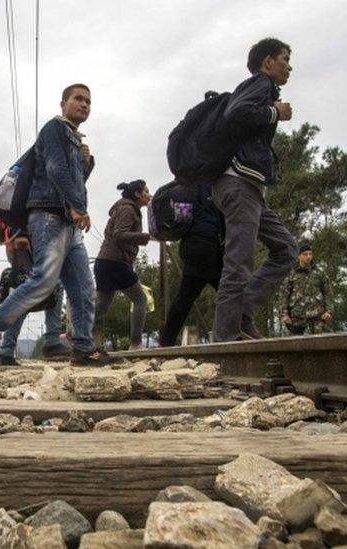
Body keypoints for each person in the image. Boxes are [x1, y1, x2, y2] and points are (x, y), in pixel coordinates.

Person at [0, 83, 117, 367]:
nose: (84, 104)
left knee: (84, 287)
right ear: (63, 104)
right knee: (44, 281)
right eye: (78, 99)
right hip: (49, 217)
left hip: (68, 223)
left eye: (88, 101)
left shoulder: (73, 140)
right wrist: (78, 206)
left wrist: (85, 164)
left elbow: (70, 177)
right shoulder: (55, 129)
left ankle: (84, 348)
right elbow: (55, 170)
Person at [211, 38, 299, 342]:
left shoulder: (263, 88)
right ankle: (225, 339)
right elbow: (235, 112)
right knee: (239, 262)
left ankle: (242, 313)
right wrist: (276, 113)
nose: (289, 66)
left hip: (250, 187)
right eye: (285, 59)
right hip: (238, 182)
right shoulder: (259, 84)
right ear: (268, 62)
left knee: (286, 249)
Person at [159, 181, 225, 346]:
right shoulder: (209, 187)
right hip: (203, 246)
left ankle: (167, 341)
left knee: (225, 290)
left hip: (195, 245)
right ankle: (167, 341)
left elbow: (182, 221)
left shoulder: (188, 188)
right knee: (188, 294)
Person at [0, 228, 70, 365]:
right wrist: (21, 233)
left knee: (26, 293)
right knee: (52, 287)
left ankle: (6, 348)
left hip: (22, 240)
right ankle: (52, 342)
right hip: (26, 240)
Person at [93, 180, 152, 350]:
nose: (149, 195)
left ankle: (70, 335)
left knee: (101, 306)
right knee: (140, 299)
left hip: (106, 261)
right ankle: (136, 343)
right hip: (115, 262)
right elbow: (119, 235)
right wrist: (146, 237)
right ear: (137, 194)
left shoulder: (124, 208)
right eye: (146, 191)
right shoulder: (127, 209)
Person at [278, 244, 334, 335]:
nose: (308, 256)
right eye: (305, 254)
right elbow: (284, 295)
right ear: (299, 256)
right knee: (294, 346)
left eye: (310, 254)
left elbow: (328, 293)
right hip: (296, 317)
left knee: (322, 344)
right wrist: (283, 314)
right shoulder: (291, 274)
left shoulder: (319, 273)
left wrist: (329, 311)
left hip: (318, 316)